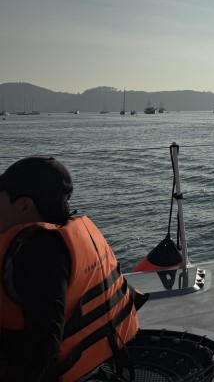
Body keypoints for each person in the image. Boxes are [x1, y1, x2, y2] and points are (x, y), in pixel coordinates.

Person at [0, 156, 144, 381]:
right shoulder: (70, 233)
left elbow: (45, 340)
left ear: (24, 205)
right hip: (106, 355)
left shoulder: (39, 252)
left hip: (69, 370)